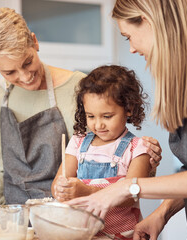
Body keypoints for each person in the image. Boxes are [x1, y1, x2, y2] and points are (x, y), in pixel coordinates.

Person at [0, 6, 163, 227]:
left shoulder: (77, 87)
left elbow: (109, 155)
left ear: (35, 42)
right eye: (9, 72)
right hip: (13, 219)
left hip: (63, 220)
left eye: (27, 62)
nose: (24, 77)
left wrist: (147, 162)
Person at [67, 1, 187, 240]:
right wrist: (162, 213)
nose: (132, 49)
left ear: (149, 19)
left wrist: (127, 186)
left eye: (128, 37)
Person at [52, 65, 152, 239]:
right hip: (84, 234)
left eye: (107, 116)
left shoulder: (137, 148)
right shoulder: (78, 142)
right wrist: (61, 189)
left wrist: (87, 191)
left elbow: (131, 196)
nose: (98, 125)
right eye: (91, 116)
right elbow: (56, 185)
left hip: (122, 235)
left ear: (128, 109)